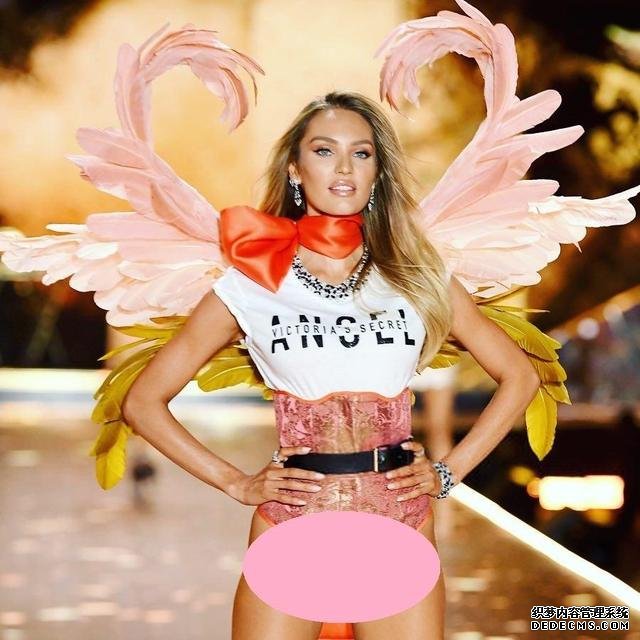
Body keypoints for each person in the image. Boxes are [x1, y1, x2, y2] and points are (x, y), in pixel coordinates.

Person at [121, 92, 541, 640]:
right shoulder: (251, 284)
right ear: (295, 169)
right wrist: (235, 482)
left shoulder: (418, 276)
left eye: (361, 153)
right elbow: (142, 402)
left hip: (398, 518)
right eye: (324, 151)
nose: (344, 167)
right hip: (293, 520)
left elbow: (520, 376)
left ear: (377, 173)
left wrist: (448, 472)